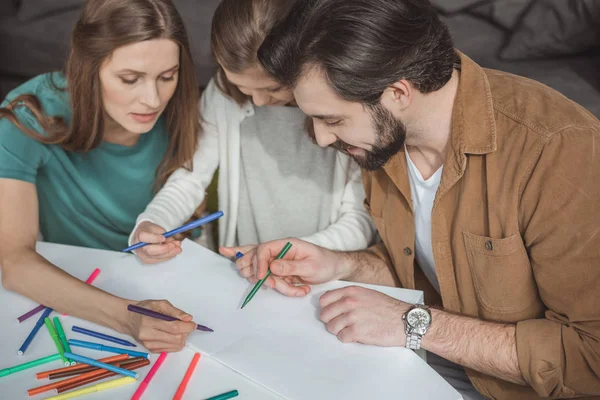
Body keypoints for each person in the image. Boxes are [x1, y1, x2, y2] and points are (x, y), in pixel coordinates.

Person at [229, 0, 600, 398]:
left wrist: (412, 323)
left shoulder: (559, 151)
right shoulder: (387, 141)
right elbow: (431, 272)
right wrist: (341, 264)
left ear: (398, 92)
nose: (321, 138)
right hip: (428, 369)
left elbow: (590, 359)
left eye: (332, 119)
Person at [0, 0, 202, 353]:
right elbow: (14, 262)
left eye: (167, 77)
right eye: (130, 79)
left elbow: (192, 217)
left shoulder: (181, 108)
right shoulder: (32, 112)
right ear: (88, 67)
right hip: (83, 288)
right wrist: (127, 317)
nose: (152, 99)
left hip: (178, 279)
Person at [130, 0, 375, 266]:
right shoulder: (222, 95)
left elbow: (361, 218)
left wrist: (292, 255)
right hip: (242, 271)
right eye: (244, 88)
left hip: (322, 275)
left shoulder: (345, 109)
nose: (258, 101)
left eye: (273, 88)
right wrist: (153, 222)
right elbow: (190, 179)